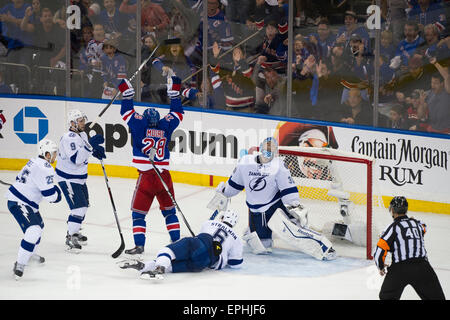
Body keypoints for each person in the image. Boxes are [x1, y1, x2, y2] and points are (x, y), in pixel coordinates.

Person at [208, 137, 336, 260]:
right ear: (261, 148)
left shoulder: (278, 165)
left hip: (275, 207)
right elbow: (235, 185)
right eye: (266, 148)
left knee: (294, 232)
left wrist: (295, 208)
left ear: (275, 152)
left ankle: (324, 247)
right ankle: (255, 230)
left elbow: (287, 188)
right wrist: (224, 193)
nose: (268, 152)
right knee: (262, 247)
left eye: (272, 149)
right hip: (256, 212)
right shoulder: (245, 162)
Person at [117, 76, 197, 256]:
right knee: (169, 212)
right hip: (164, 177)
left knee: (138, 214)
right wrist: (175, 95)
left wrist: (126, 93)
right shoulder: (165, 125)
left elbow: (126, 112)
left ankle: (139, 246)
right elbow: (177, 113)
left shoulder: (139, 124)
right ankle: (176, 242)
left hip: (146, 178)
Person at [118, 209, 244, 279]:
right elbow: (235, 264)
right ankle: (144, 266)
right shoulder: (237, 239)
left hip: (198, 243)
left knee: (167, 252)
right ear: (234, 224)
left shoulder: (209, 223)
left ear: (222, 218)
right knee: (172, 267)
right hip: (204, 263)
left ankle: (158, 267)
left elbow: (198, 241)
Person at [5, 139, 62, 279]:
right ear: (47, 154)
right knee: (34, 230)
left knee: (39, 227)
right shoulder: (45, 167)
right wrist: (58, 194)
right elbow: (50, 197)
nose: (55, 156)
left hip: (27, 201)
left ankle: (29, 254)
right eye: (54, 153)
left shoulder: (34, 161)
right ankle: (20, 264)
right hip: (19, 202)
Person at [374, 196, 446, 300]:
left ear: (392, 210)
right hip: (422, 267)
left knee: (386, 296)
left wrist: (380, 266)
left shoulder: (392, 227)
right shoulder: (417, 225)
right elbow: (424, 228)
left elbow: (379, 250)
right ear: (406, 210)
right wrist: (414, 221)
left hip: (400, 269)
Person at [56, 109, 106, 252]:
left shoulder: (82, 134)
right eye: (80, 121)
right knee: (79, 207)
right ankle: (70, 236)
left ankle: (75, 230)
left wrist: (95, 151)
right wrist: (91, 146)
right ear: (72, 123)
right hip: (67, 178)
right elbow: (77, 159)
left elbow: (84, 152)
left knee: (84, 205)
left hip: (78, 178)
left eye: (83, 120)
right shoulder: (68, 138)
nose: (83, 123)